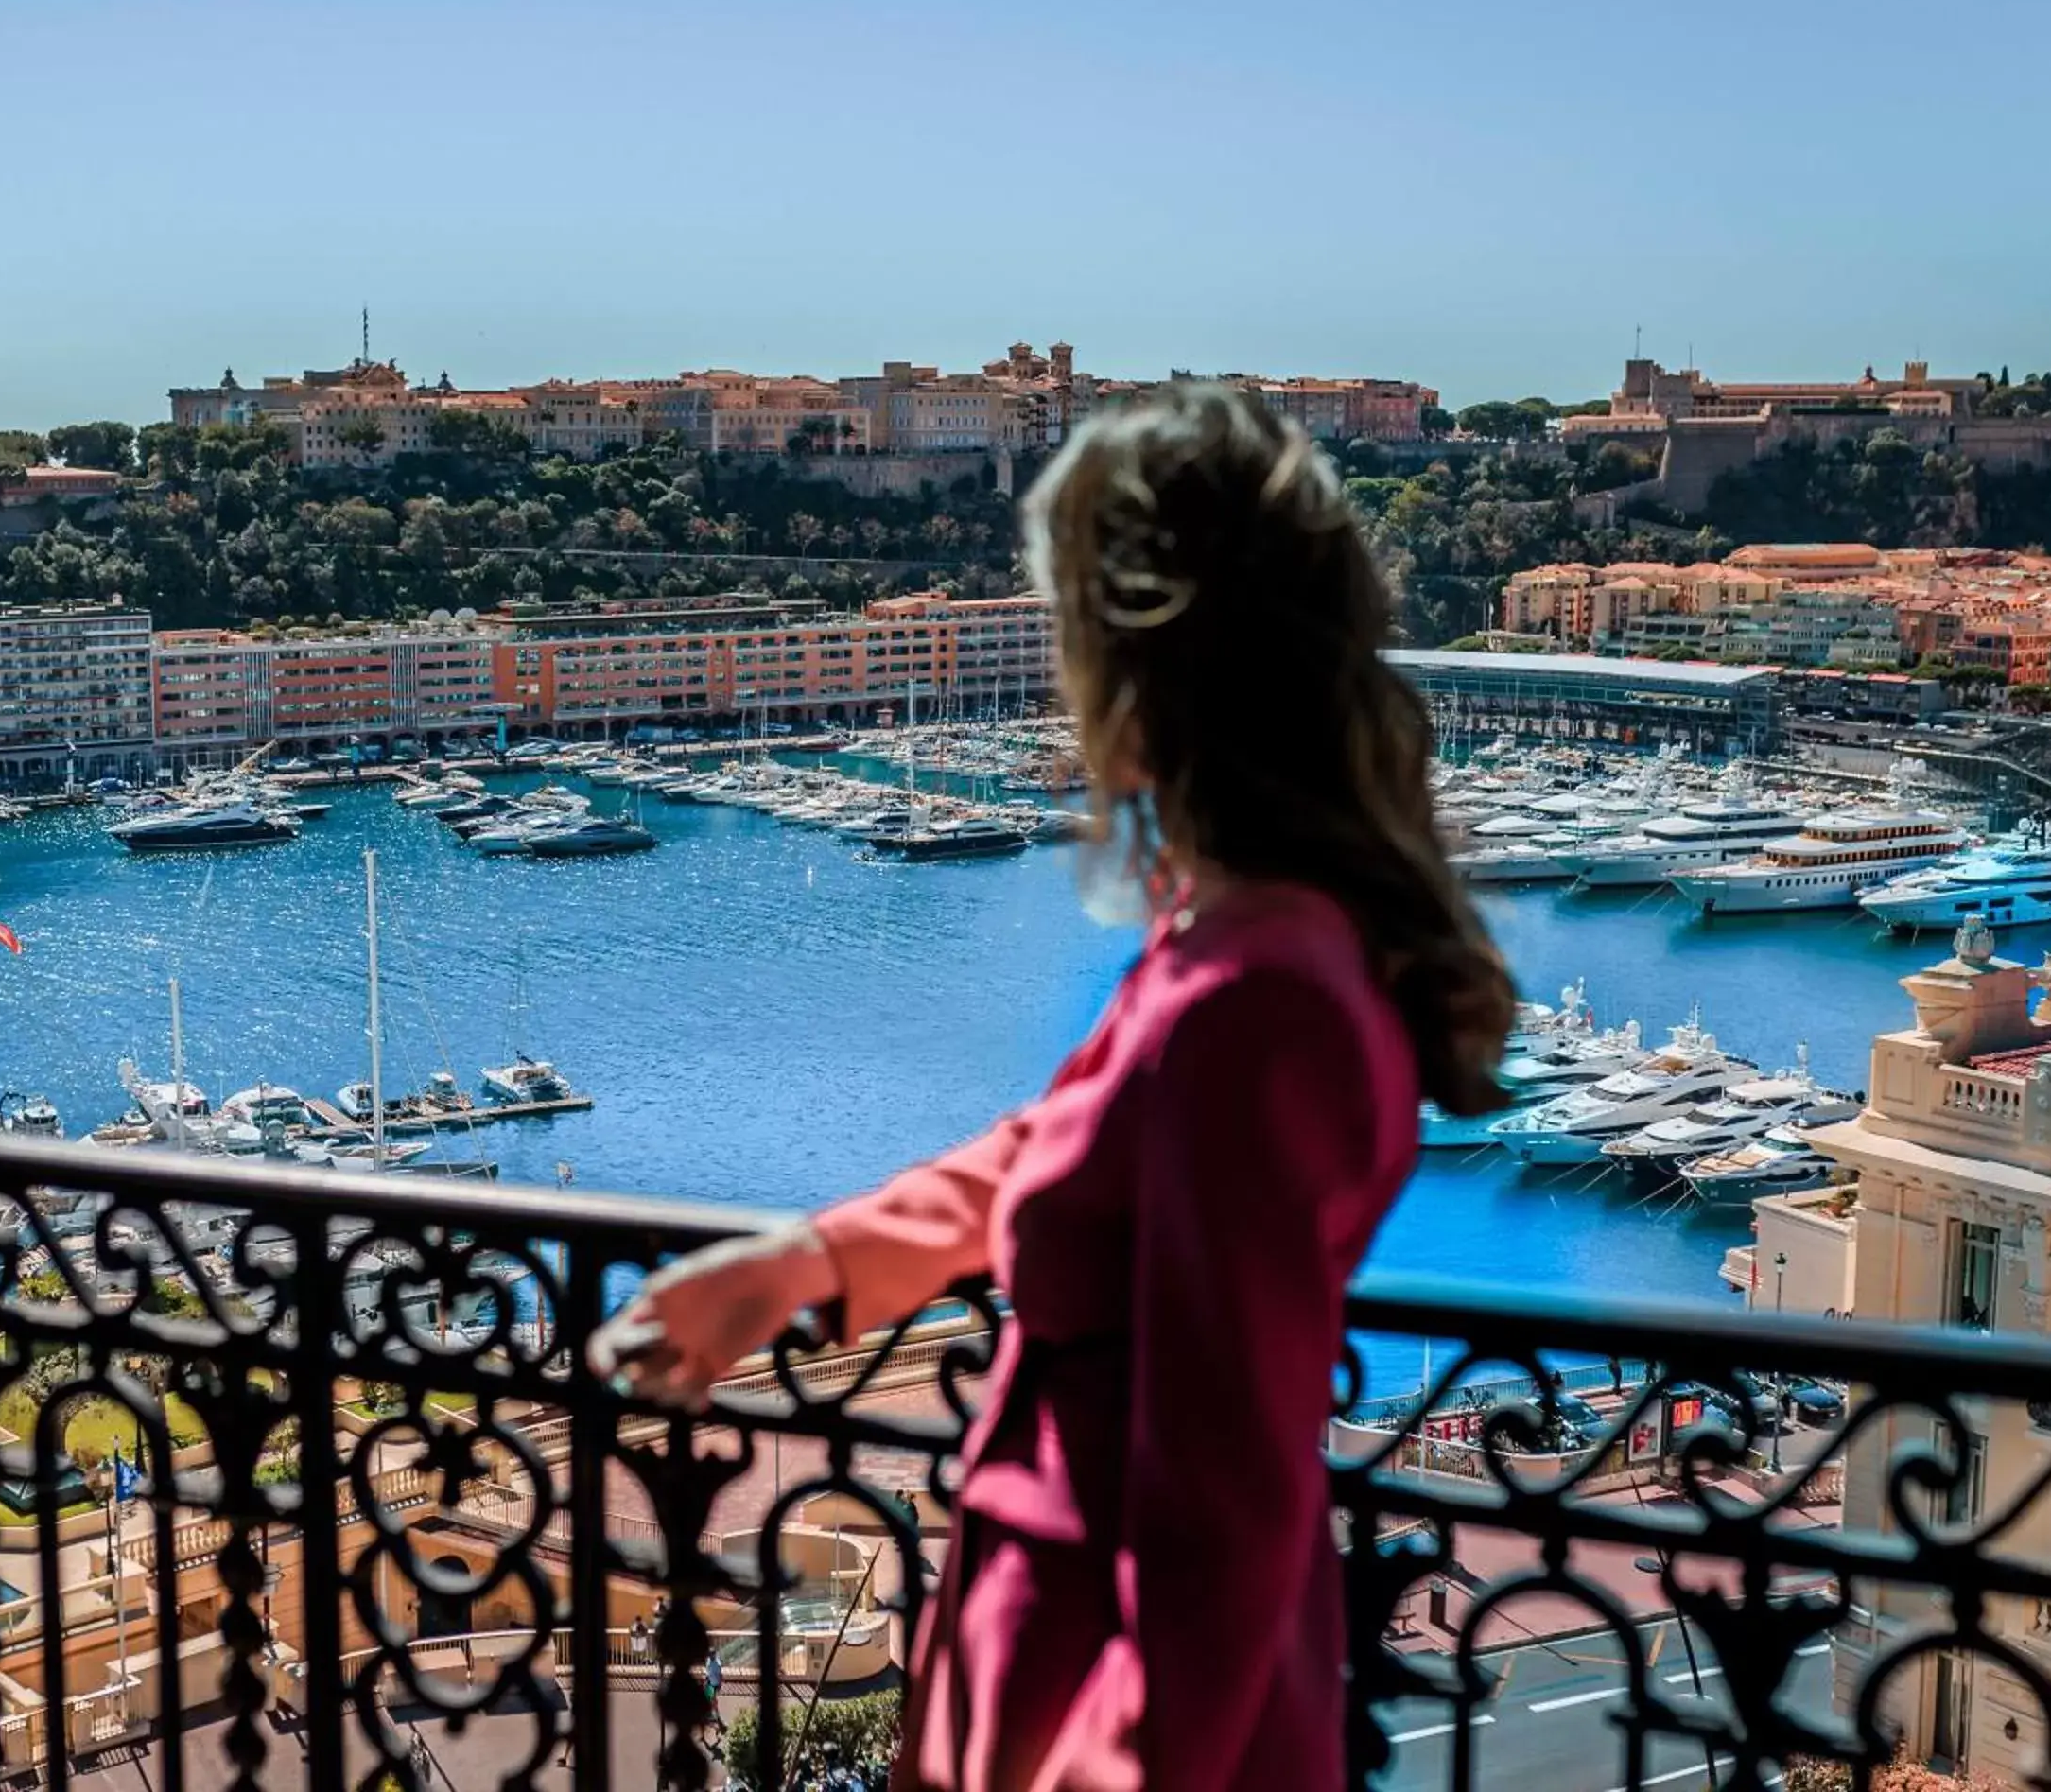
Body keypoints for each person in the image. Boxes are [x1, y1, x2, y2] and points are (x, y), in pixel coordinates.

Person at [587, 384, 1512, 1791]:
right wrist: (808, 1263)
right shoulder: (1252, 938)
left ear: (1147, 664)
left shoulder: (1259, 995)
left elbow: (1227, 1506)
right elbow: (1063, 1145)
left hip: (1115, 1704)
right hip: (1058, 1653)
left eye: (1066, 627)